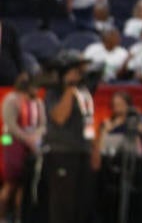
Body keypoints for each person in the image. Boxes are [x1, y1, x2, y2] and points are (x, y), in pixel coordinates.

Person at [41, 51, 96, 223]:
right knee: (63, 204)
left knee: (82, 203)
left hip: (82, 151)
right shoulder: (54, 93)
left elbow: (89, 122)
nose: (80, 74)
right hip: (62, 153)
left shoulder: (84, 92)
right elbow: (59, 118)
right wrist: (69, 89)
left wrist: (93, 149)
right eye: (76, 70)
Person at [0, 73, 44, 222]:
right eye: (35, 87)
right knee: (11, 183)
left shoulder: (38, 102)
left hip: (31, 145)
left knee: (24, 186)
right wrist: (27, 139)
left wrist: (36, 137)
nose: (37, 90)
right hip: (10, 142)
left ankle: (20, 218)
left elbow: (42, 124)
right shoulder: (11, 100)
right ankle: (3, 217)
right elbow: (10, 126)